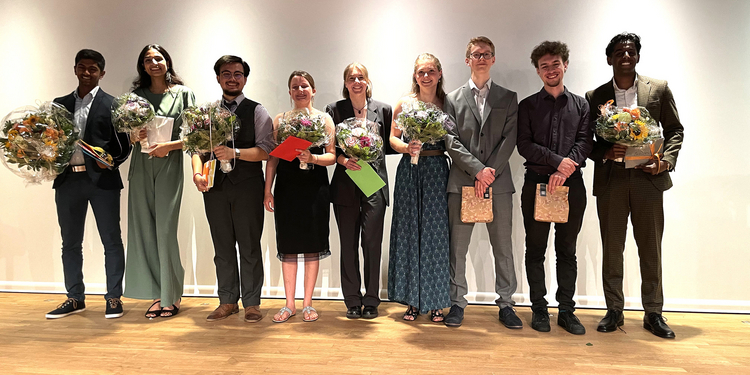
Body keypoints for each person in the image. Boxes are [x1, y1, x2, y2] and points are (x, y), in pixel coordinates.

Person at [586, 33, 684, 339]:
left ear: (637, 57)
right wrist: (604, 152)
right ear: (609, 58)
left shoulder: (659, 89)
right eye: (618, 52)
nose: (625, 56)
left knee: (650, 248)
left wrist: (665, 161)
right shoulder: (595, 96)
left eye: (630, 51)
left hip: (648, 180)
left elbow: (675, 130)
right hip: (613, 182)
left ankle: (653, 312)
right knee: (613, 249)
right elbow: (583, 143)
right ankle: (614, 310)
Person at [46, 49, 132, 319]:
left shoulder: (114, 104)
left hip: (102, 182)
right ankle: (74, 298)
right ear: (74, 69)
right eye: (82, 67)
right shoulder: (59, 104)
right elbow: (49, 141)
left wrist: (113, 160)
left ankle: (114, 298)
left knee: (111, 241)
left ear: (102, 73)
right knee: (70, 242)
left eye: (92, 69)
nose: (86, 72)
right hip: (67, 179)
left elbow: (125, 145)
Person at [443, 36, 520, 329]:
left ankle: (506, 304)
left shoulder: (508, 97)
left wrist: (489, 172)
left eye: (487, 54)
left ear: (493, 59)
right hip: (462, 184)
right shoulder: (451, 99)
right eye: (476, 54)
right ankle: (457, 303)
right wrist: (477, 171)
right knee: (457, 249)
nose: (482, 58)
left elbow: (509, 138)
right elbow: (451, 141)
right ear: (468, 60)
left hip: (498, 185)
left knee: (502, 248)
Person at [516, 41, 593, 334]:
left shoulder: (582, 104)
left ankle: (567, 311)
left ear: (565, 65)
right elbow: (524, 145)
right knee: (535, 250)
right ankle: (539, 309)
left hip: (571, 186)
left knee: (567, 251)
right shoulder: (527, 106)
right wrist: (557, 163)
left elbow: (585, 142)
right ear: (538, 70)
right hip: (537, 184)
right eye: (544, 65)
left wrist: (566, 167)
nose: (551, 70)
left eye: (555, 64)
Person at [191, 55, 275, 323]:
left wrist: (233, 151)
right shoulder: (206, 114)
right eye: (226, 73)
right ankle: (227, 300)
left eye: (237, 73)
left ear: (245, 79)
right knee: (222, 246)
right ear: (218, 78)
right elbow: (196, 149)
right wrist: (196, 172)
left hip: (248, 187)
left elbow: (265, 151)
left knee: (249, 245)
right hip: (214, 186)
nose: (232, 78)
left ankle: (252, 302)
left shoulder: (257, 111)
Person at [123, 44, 196, 318]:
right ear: (142, 66)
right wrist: (134, 134)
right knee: (143, 229)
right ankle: (156, 294)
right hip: (141, 166)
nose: (154, 63)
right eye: (148, 59)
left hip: (169, 166)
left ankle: (171, 295)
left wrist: (172, 146)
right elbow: (128, 137)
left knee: (164, 231)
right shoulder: (135, 96)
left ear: (167, 61)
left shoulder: (183, 94)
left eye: (158, 58)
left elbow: (196, 136)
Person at [263, 70, 335, 323]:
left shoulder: (324, 119)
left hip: (315, 188)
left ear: (313, 90)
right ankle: (289, 304)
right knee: (289, 245)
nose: (300, 90)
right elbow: (272, 158)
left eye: (304, 86)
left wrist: (312, 157)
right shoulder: (281, 120)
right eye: (295, 87)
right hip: (287, 187)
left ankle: (307, 304)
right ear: (290, 92)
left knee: (313, 245)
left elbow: (331, 156)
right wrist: (267, 190)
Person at [325, 63, 394, 320]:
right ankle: (352, 300)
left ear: (367, 81)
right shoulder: (334, 110)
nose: (356, 81)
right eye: (351, 78)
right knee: (349, 244)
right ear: (345, 83)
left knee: (372, 244)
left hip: (373, 183)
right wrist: (345, 161)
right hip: (345, 183)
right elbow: (330, 148)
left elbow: (388, 146)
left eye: (360, 77)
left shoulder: (383, 110)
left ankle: (372, 300)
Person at [388, 53, 451, 323]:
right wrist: (406, 146)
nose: (426, 76)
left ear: (439, 73)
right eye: (420, 72)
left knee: (436, 235)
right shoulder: (405, 103)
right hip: (410, 169)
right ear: (415, 76)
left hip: (437, 169)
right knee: (408, 232)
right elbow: (392, 138)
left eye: (431, 71)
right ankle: (412, 300)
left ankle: (436, 301)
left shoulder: (448, 103)